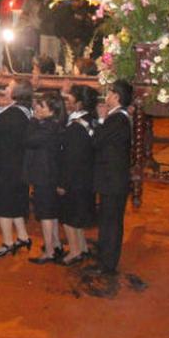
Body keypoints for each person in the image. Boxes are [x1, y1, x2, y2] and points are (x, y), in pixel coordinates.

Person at [0, 78, 33, 257]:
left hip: (7, 167)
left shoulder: (13, 115)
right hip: (19, 165)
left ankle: (7, 242)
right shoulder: (25, 111)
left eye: (9, 87)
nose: (5, 89)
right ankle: (22, 236)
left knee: (4, 205)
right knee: (15, 203)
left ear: (17, 92)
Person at [92, 79, 133, 275]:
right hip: (113, 178)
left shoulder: (117, 119)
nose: (106, 97)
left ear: (116, 96)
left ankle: (107, 263)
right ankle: (104, 258)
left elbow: (98, 141)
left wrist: (101, 119)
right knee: (109, 220)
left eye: (109, 93)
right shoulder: (118, 117)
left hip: (113, 179)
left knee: (111, 222)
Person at [58, 84, 98, 265]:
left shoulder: (76, 127)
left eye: (72, 97)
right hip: (87, 175)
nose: (69, 99)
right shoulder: (92, 120)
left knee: (70, 217)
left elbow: (69, 159)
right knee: (79, 215)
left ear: (79, 102)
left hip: (75, 178)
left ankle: (74, 251)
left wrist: (62, 182)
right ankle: (81, 247)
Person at [25, 91, 65, 264]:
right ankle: (56, 244)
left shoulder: (47, 128)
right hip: (50, 174)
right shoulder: (55, 125)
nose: (37, 108)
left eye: (41, 106)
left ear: (51, 111)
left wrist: (33, 120)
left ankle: (49, 250)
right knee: (51, 212)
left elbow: (28, 139)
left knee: (45, 214)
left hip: (45, 175)